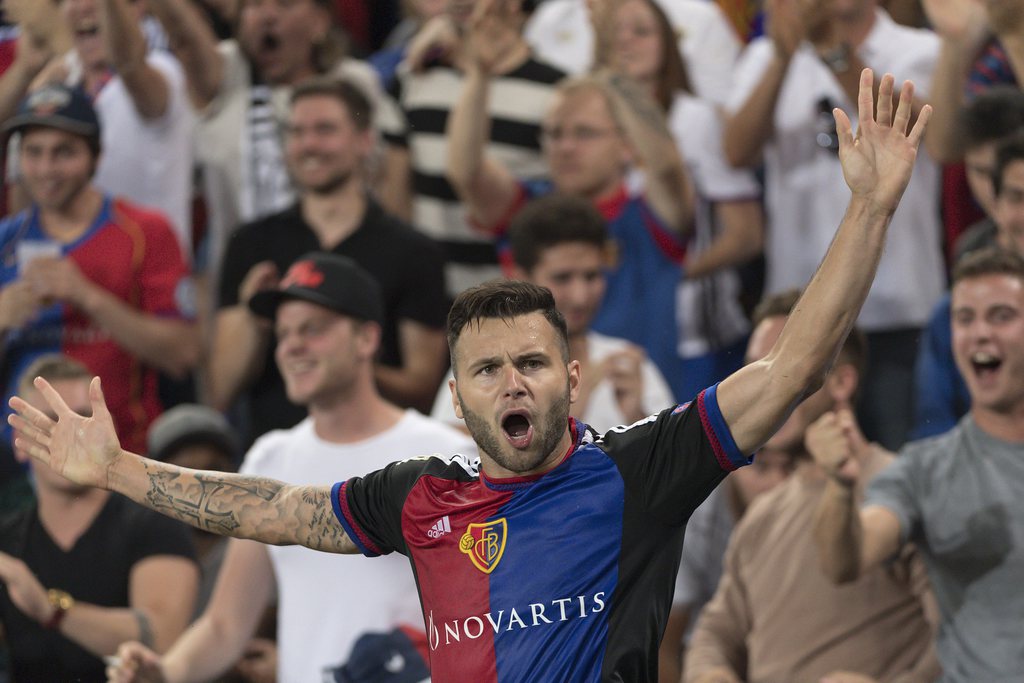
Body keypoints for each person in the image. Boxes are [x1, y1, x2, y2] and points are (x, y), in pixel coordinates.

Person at [14, 69, 932, 683]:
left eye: (532, 362)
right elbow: (266, 508)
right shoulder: (415, 499)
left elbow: (797, 362)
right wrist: (118, 468)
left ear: (571, 375)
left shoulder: (640, 469)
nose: (513, 383)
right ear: (458, 397)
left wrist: (870, 208)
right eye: (487, 370)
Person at [109, 253, 475, 683]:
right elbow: (227, 624)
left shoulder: (444, 453)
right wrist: (166, 671)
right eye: (282, 334)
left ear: (366, 339)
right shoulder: (272, 456)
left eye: (312, 329)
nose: (291, 346)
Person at [681, 290, 940, 683]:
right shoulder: (762, 515)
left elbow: (956, 635)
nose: (766, 392)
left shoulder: (905, 489)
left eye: (786, 370)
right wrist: (711, 674)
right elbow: (714, 633)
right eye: (756, 372)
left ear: (842, 382)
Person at [723, 0, 943, 450]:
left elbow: (938, 140)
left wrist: (831, 49)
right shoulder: (767, 56)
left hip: (899, 305)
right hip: (799, 308)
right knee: (792, 464)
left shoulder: (919, 49)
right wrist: (784, 57)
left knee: (895, 462)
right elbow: (735, 152)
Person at [811, 246, 1024, 682]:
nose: (980, 333)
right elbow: (844, 562)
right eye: (965, 319)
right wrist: (839, 487)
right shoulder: (925, 469)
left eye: (1001, 316)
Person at [211, 76, 448, 438]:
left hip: (379, 469)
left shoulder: (414, 251)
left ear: (365, 140)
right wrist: (254, 318)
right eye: (296, 132)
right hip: (274, 461)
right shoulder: (251, 243)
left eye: (325, 130)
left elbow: (424, 388)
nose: (308, 145)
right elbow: (221, 390)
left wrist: (339, 362)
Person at [0, 84, 198, 487]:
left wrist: (88, 296)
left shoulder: (145, 232)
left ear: (95, 156)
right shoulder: (4, 240)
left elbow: (183, 353)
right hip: (16, 469)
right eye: (33, 152)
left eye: (63, 152)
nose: (45, 168)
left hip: (120, 463)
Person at [144, 0, 381, 283]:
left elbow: (387, 181)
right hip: (243, 282)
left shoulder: (354, 82)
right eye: (254, 4)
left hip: (343, 279)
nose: (268, 15)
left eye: (285, 3)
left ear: (320, 21)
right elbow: (182, 32)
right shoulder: (226, 73)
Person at [0, 354, 198, 683]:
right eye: (50, 420)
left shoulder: (152, 522)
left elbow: (164, 639)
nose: (69, 433)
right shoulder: (7, 542)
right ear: (19, 443)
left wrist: (51, 610)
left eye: (82, 418)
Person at [430, 193, 675, 432]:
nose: (580, 297)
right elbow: (456, 463)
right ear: (520, 277)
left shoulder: (629, 366)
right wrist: (573, 406)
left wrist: (638, 419)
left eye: (591, 276)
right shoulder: (481, 366)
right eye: (562, 278)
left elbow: (672, 469)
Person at [376, 0, 565, 296]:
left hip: (513, 303)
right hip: (429, 301)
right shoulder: (411, 78)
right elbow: (396, 203)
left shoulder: (558, 90)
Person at [0, 0, 196, 258]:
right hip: (63, 281)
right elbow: (24, 210)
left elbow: (129, 64)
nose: (83, 6)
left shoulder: (163, 70)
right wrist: (29, 106)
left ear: (138, 8)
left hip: (142, 273)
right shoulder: (55, 83)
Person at [914, 132, 1024, 439]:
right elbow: (933, 426)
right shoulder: (952, 313)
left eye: (1002, 316)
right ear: (996, 205)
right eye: (1017, 197)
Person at [146, 403, 239, 618]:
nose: (201, 490)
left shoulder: (260, 549)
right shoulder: (139, 549)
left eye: (212, 471)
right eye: (183, 476)